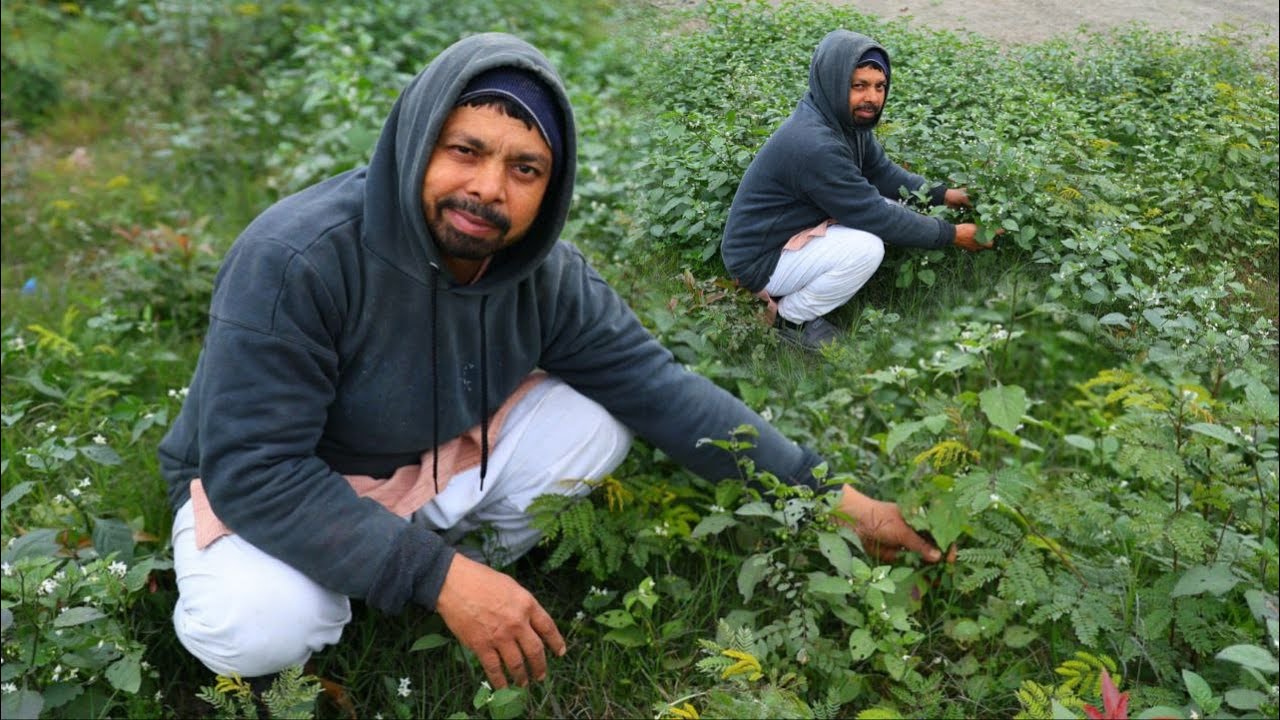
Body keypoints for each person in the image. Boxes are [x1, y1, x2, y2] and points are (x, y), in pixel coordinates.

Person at [158, 32, 942, 692]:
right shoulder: (299, 259)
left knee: (604, 417)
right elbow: (254, 469)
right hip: (279, 484)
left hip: (424, 457)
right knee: (253, 628)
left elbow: (664, 392)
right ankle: (425, 578)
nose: (486, 189)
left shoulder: (544, 278)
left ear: (552, 185)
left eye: (524, 169)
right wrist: (438, 580)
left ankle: (438, 568)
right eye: (464, 150)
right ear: (416, 143)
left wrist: (830, 498)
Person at [721, 29, 995, 351]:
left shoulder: (840, 118)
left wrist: (944, 194)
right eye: (859, 86)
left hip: (786, 236)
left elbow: (881, 172)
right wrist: (953, 234)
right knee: (867, 247)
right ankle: (789, 319)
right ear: (835, 83)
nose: (873, 98)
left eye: (880, 86)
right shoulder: (815, 145)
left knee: (883, 204)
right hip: (759, 260)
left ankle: (794, 298)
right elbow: (874, 215)